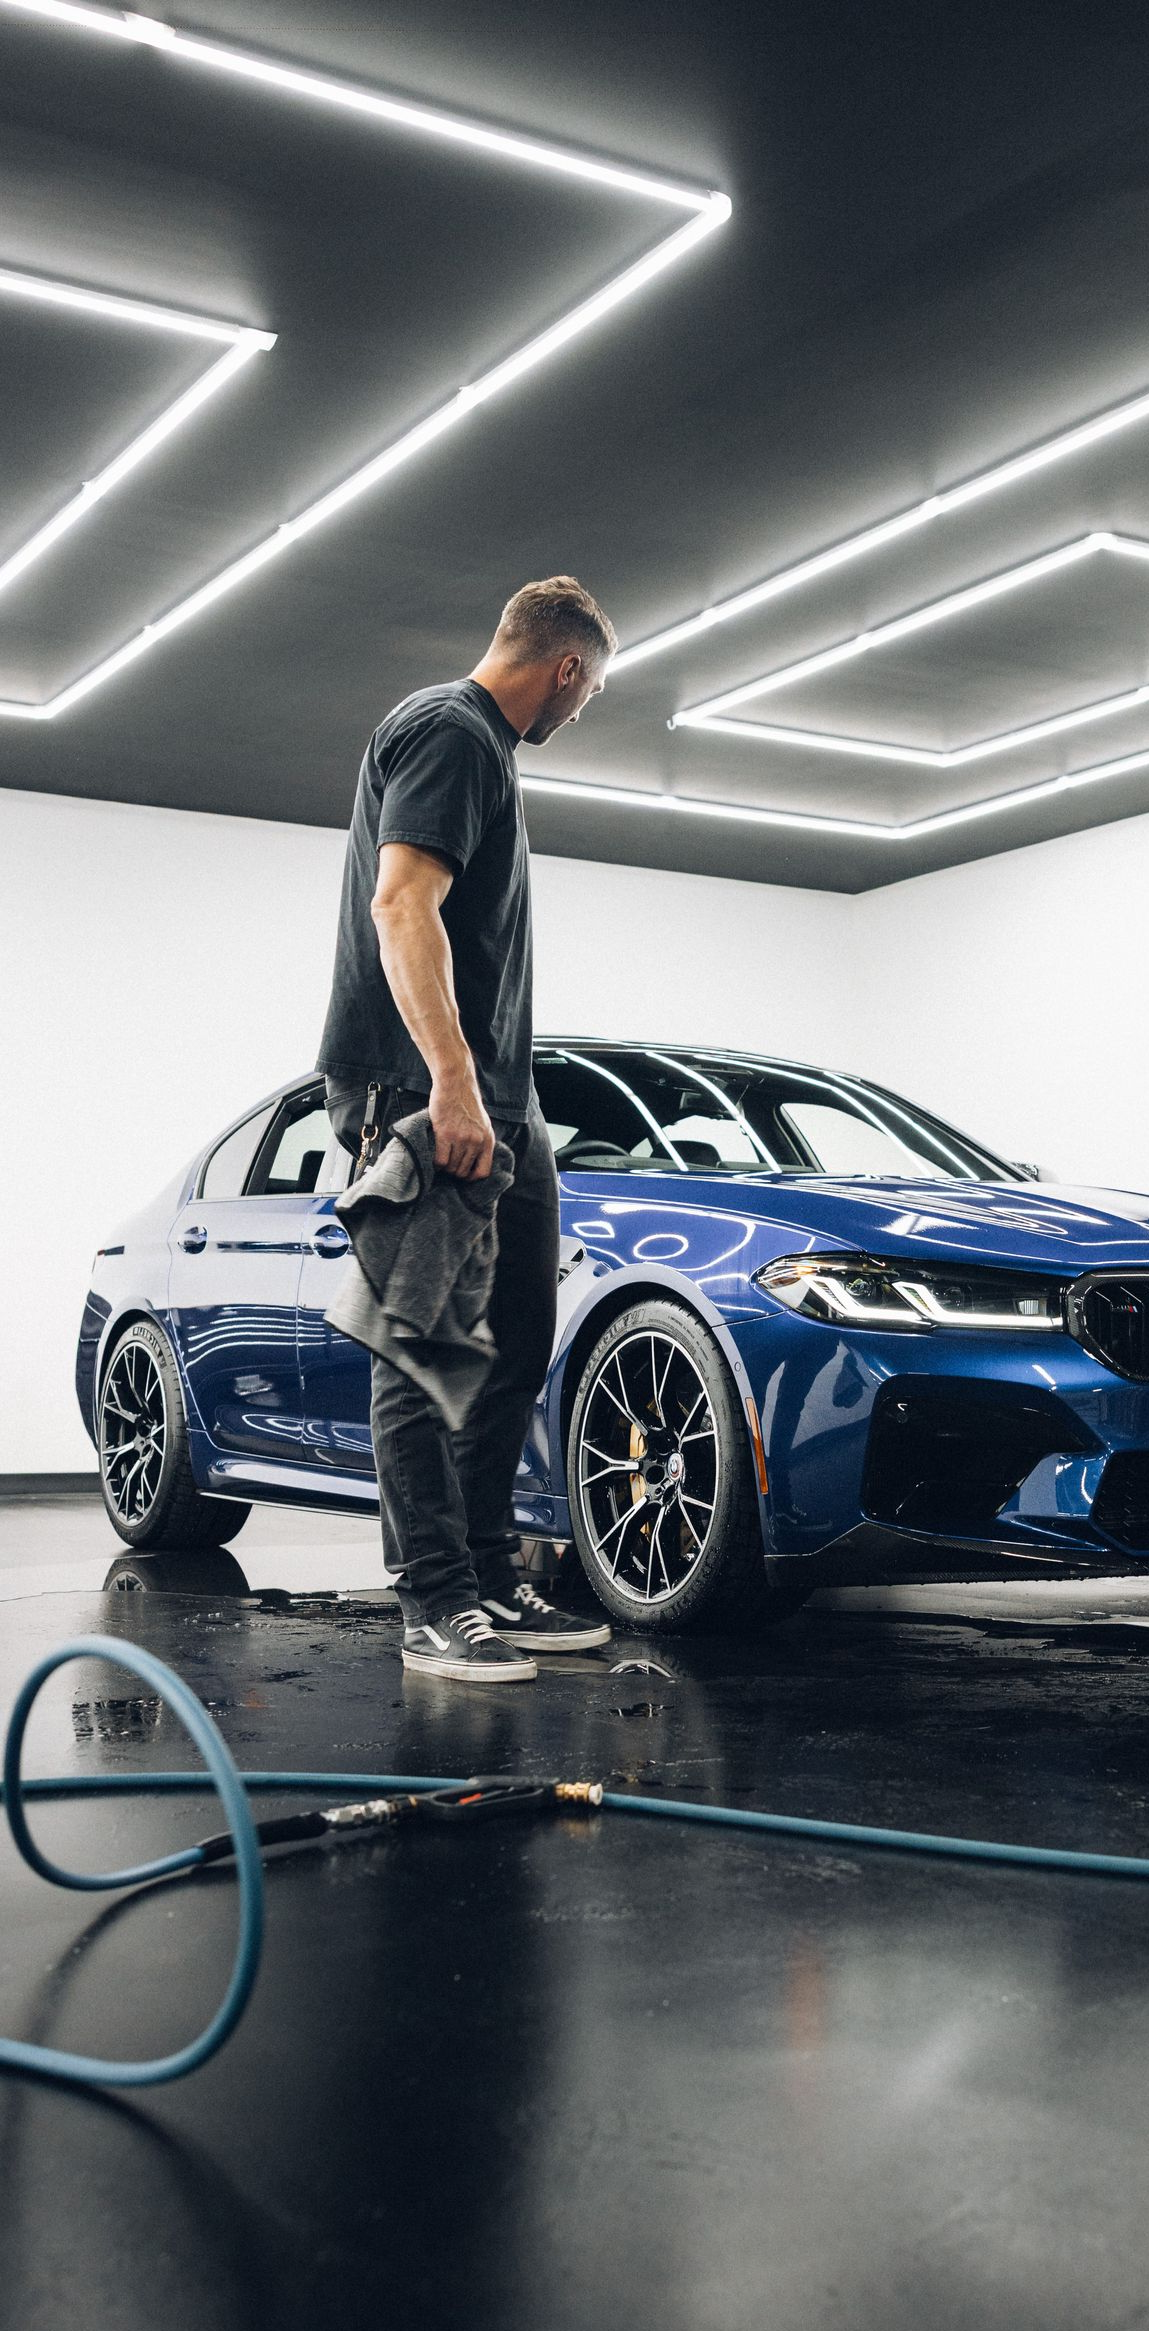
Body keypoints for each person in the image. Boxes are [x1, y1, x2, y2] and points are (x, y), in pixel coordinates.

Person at [318, 577, 618, 1682]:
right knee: (426, 1348)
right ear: (569, 670)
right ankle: (435, 1603)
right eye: (588, 695)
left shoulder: (488, 753)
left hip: (505, 1096)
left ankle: (488, 1569)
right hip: (424, 1088)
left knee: (510, 1347)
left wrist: (500, 1097)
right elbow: (402, 907)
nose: (580, 713)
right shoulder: (449, 729)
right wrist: (447, 1082)